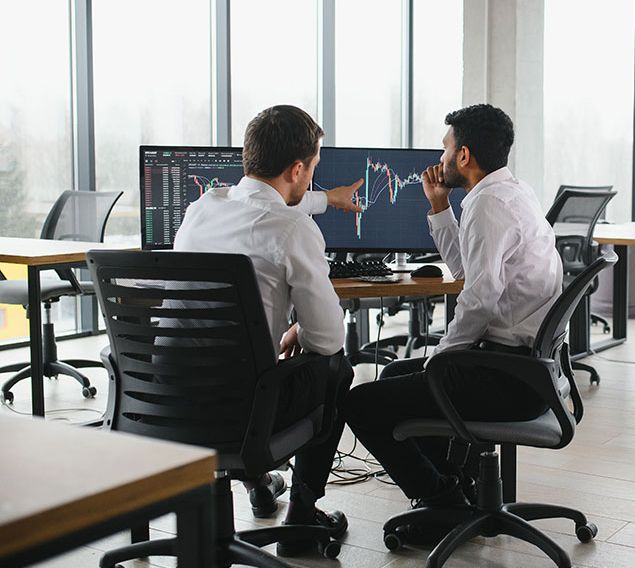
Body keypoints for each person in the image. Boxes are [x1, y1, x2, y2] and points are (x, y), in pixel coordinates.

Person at [343, 104, 563, 535]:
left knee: (359, 403)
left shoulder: (487, 207)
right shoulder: (511, 193)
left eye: (445, 148)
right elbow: (468, 272)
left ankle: (443, 502)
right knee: (393, 371)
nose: (440, 158)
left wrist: (441, 358)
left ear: (463, 156)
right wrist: (440, 207)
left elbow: (478, 300)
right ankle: (450, 487)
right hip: (527, 371)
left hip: (508, 377)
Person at [173, 105, 358, 557]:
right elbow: (328, 340)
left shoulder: (202, 208)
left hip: (168, 403)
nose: (312, 180)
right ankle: (300, 516)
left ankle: (257, 482)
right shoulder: (294, 229)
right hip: (244, 412)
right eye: (312, 170)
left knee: (243, 366)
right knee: (337, 367)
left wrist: (325, 198)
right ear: (297, 168)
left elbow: (272, 200)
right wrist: (301, 330)